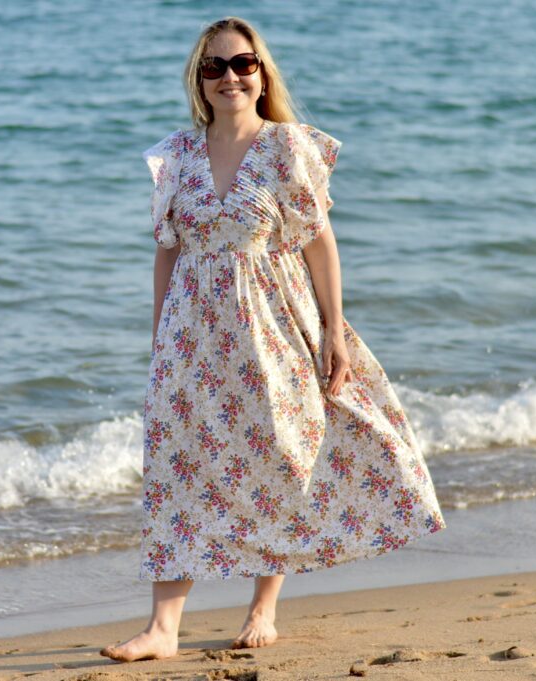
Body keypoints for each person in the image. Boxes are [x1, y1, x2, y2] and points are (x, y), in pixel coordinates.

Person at [100, 16, 447, 663]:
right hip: (193, 336)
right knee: (180, 464)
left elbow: (320, 242)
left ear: (261, 75)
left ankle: (264, 606)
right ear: (198, 82)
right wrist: (159, 340)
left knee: (282, 456)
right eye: (214, 67)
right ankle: (163, 627)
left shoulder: (287, 147)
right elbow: (165, 253)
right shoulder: (176, 155)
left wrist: (335, 332)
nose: (229, 76)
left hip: (273, 326)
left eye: (242, 64)